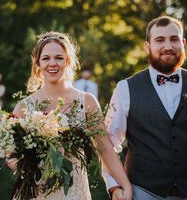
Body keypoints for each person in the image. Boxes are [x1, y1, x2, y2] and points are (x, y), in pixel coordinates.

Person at [8, 31, 132, 200]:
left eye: (59, 57)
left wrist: (125, 185)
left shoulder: (87, 101)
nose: (53, 63)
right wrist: (32, 170)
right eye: (46, 58)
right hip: (35, 192)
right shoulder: (23, 107)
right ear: (37, 64)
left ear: (68, 61)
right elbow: (11, 154)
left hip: (74, 191)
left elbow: (105, 148)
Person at [103, 15, 187, 200]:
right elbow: (108, 144)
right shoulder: (126, 88)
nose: (167, 46)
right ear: (147, 46)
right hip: (142, 193)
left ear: (183, 43)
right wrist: (115, 187)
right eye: (159, 40)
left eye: (174, 39)